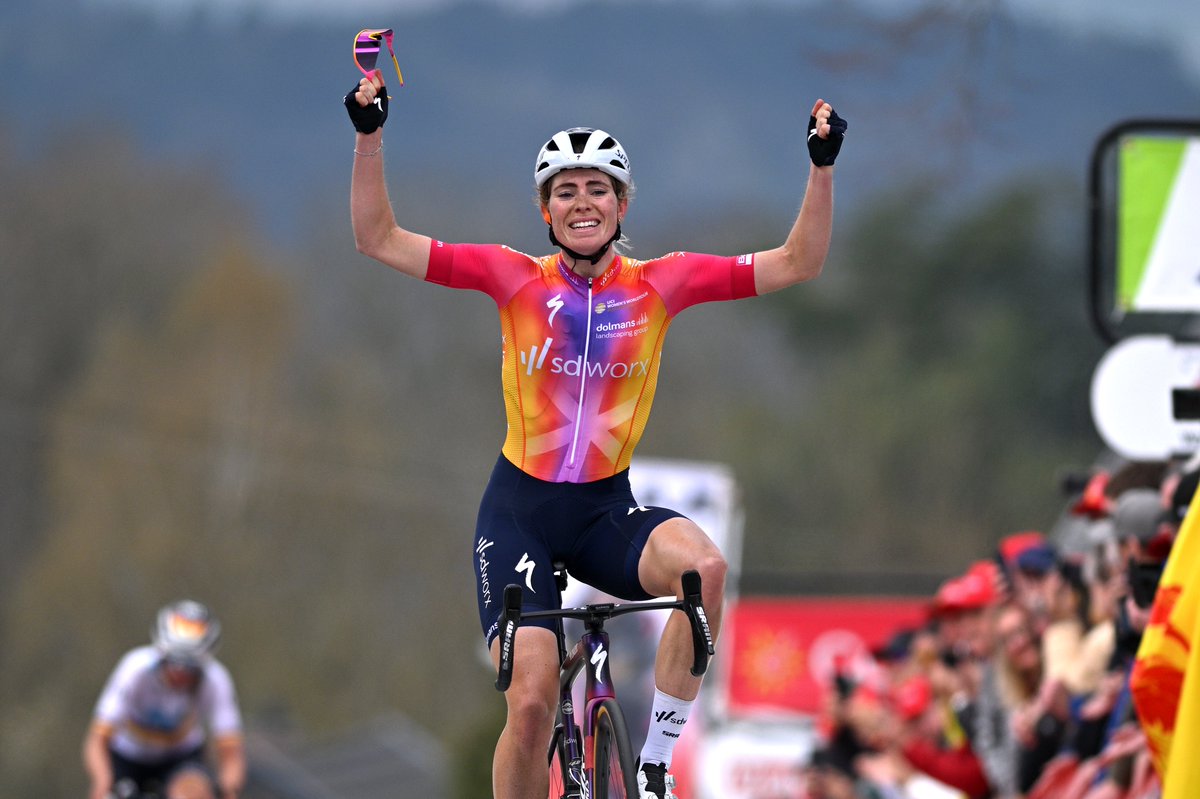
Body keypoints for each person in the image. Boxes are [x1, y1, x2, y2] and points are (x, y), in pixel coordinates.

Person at [345, 67, 846, 799]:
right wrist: (369, 136)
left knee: (702, 571)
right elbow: (376, 237)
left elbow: (799, 261)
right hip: (521, 514)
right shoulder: (511, 276)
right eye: (565, 190)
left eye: (598, 187)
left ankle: (653, 766)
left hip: (605, 511)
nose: (583, 202)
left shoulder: (662, 284)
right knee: (531, 702)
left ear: (622, 203)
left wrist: (821, 168)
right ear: (546, 211)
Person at [82, 600, 245, 799]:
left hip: (181, 757)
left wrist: (229, 788)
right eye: (174, 662)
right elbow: (97, 739)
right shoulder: (134, 669)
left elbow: (230, 751)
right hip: (127, 756)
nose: (181, 673)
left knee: (192, 794)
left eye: (190, 666)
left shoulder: (216, 679)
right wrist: (102, 781)